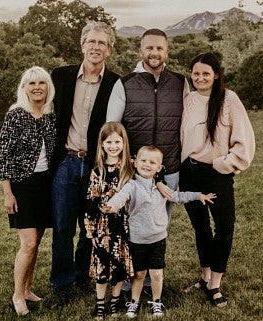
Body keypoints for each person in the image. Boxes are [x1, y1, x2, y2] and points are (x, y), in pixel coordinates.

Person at [106, 28, 190, 294]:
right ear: (140, 50)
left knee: (157, 228)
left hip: (169, 170)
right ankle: (132, 279)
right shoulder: (125, 82)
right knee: (130, 226)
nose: (154, 53)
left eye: (159, 48)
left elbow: (188, 125)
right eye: (149, 48)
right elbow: (112, 127)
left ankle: (152, 283)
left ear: (167, 51)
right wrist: (123, 161)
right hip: (134, 173)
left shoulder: (180, 82)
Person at [50, 21, 120, 308]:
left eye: (102, 43)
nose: (96, 47)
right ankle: (62, 284)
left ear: (109, 49)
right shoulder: (60, 76)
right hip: (66, 162)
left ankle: (81, 274)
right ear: (82, 45)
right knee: (63, 227)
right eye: (91, 41)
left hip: (96, 164)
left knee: (89, 225)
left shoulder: (116, 82)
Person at [103, 145, 216, 318]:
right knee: (139, 274)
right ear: (135, 163)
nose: (147, 165)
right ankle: (134, 302)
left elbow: (179, 196)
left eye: (152, 162)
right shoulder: (132, 186)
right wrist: (112, 206)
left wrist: (198, 196)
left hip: (158, 239)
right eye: (143, 161)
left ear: (159, 167)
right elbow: (121, 197)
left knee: (156, 274)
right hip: (137, 239)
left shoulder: (161, 189)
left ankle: (157, 302)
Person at [179, 52, 255, 307]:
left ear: (216, 75)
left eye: (206, 73)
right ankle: (204, 277)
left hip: (216, 173)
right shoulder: (187, 100)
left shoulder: (228, 99)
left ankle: (215, 283)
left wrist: (223, 164)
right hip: (189, 174)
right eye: (196, 73)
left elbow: (244, 139)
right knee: (201, 228)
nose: (200, 78)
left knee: (224, 228)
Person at [0, 66, 56, 316]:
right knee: (29, 242)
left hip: (46, 184)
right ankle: (17, 295)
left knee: (37, 241)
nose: (37, 87)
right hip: (22, 185)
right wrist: (8, 193)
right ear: (24, 87)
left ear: (48, 87)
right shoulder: (16, 114)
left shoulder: (50, 114)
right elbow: (3, 156)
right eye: (31, 83)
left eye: (42, 83)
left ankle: (28, 288)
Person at [84, 122, 134, 319]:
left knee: (120, 264)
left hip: (123, 225)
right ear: (102, 144)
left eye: (117, 142)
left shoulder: (129, 168)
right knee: (102, 265)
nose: (113, 146)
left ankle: (114, 301)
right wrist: (91, 230)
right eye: (109, 142)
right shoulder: (98, 171)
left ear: (124, 143)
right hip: (103, 228)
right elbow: (90, 201)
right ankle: (99, 304)